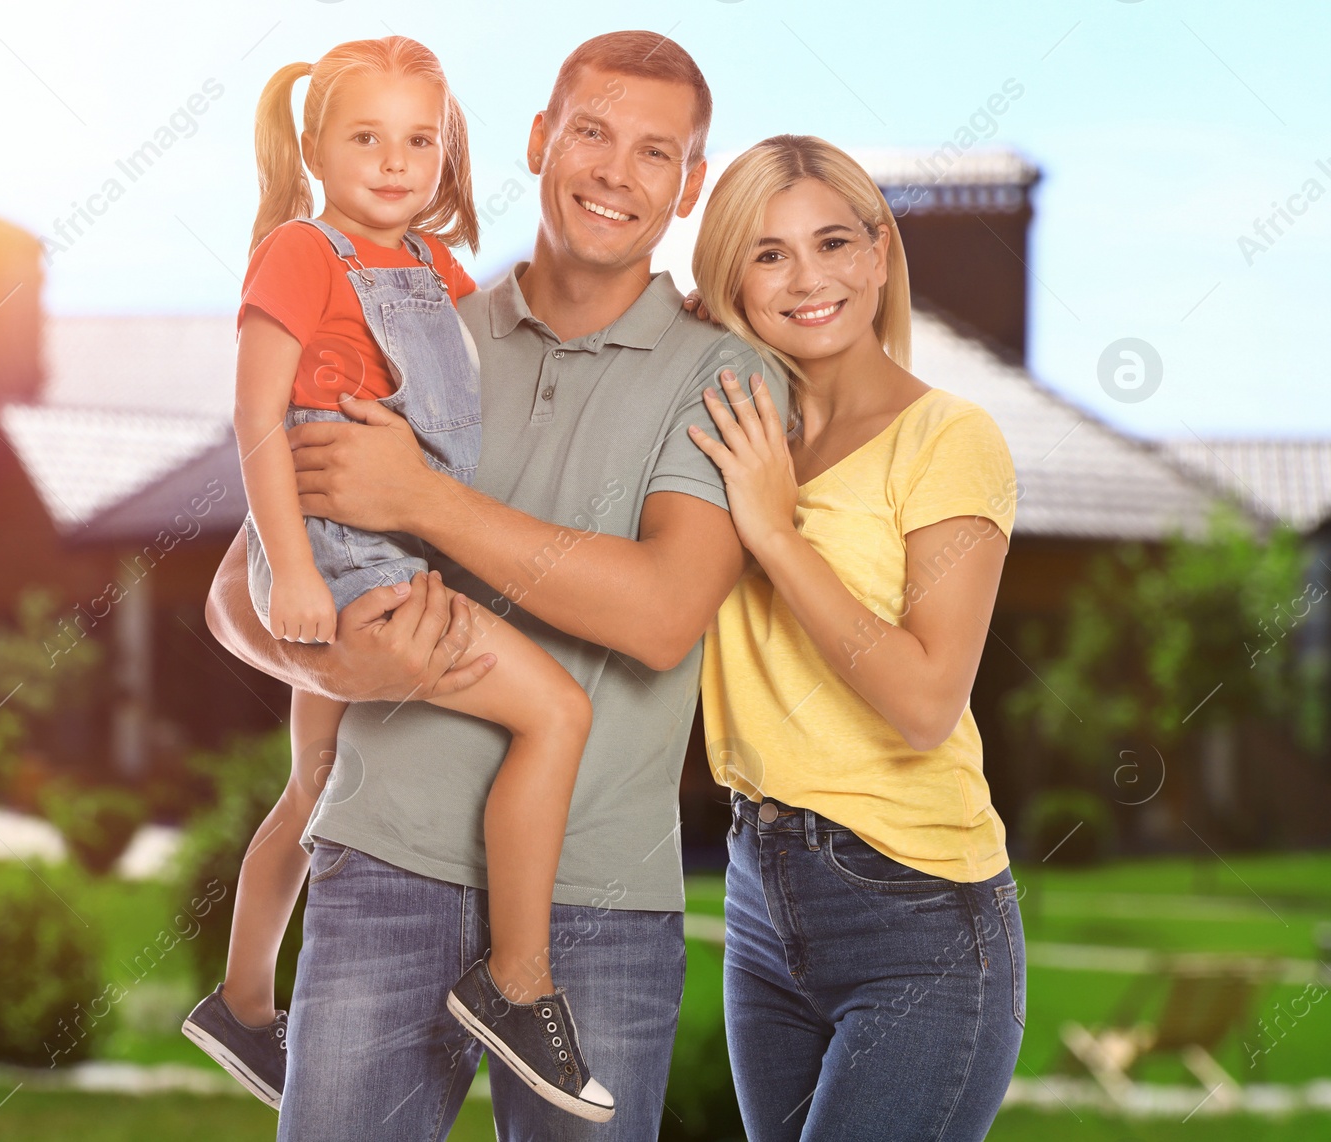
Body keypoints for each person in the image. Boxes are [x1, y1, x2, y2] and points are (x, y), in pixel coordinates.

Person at [205, 31, 785, 1142]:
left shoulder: (726, 373)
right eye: (591, 133)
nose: (616, 172)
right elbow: (239, 589)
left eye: (655, 153)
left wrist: (420, 500)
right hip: (380, 867)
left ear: (689, 185)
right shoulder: (415, 324)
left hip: (603, 902)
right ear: (536, 139)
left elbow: (663, 615)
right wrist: (326, 656)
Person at [180, 35, 613, 1122]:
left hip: (394, 535)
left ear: (447, 154)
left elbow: (495, 368)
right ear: (317, 145)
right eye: (365, 137)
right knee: (554, 710)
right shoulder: (298, 251)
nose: (393, 161)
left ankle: (240, 1004)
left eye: (418, 140)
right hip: (336, 548)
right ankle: (515, 982)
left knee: (314, 786)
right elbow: (259, 422)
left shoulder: (433, 267)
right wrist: (290, 577)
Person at [685, 134, 1025, 1140]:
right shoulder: (730, 432)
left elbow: (926, 701)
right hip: (759, 889)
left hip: (917, 910)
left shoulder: (949, 439)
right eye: (768, 252)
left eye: (833, 242)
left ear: (879, 255)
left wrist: (776, 538)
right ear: (730, 279)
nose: (808, 278)